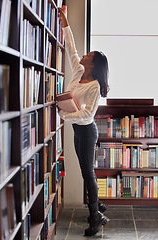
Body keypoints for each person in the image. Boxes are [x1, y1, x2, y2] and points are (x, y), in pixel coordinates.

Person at [58, 7, 110, 236]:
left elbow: (88, 115)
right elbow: (71, 48)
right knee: (84, 171)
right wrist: (64, 22)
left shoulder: (95, 87)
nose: (83, 55)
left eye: (88, 55)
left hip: (87, 131)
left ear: (93, 64)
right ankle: (97, 208)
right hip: (78, 131)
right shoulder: (79, 71)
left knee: (87, 172)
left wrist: (63, 116)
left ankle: (96, 220)